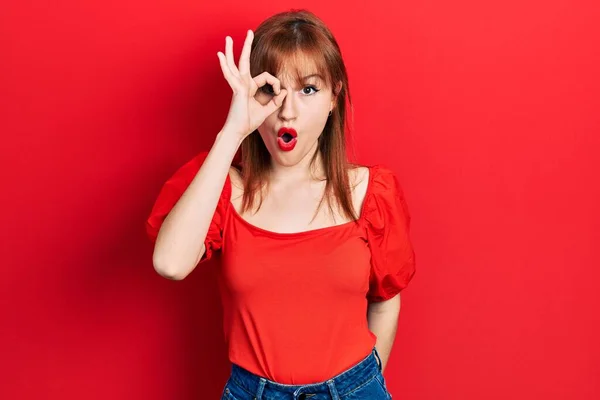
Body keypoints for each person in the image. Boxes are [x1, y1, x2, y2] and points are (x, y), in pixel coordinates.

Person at [146, 9, 416, 400]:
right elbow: (169, 263)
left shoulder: (369, 193)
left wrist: (361, 387)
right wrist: (233, 132)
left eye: (308, 89)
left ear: (333, 98)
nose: (287, 111)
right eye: (272, 90)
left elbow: (387, 302)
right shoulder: (225, 190)